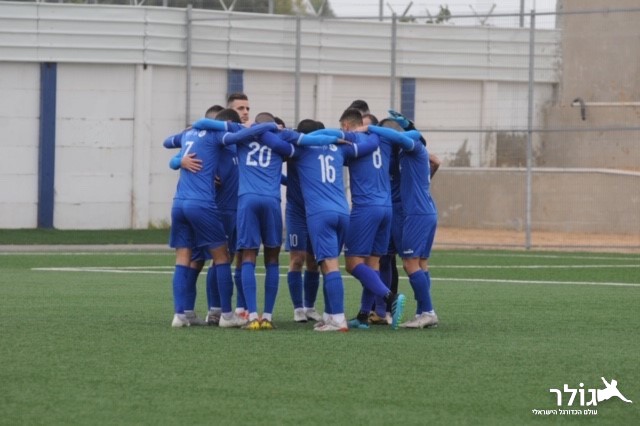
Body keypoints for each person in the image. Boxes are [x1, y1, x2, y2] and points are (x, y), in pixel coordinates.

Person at [261, 120, 380, 332]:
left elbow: (271, 141)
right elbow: (371, 145)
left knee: (328, 265)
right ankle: (327, 314)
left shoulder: (300, 149)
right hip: (342, 211)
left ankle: (338, 319)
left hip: (320, 213)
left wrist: (268, 127)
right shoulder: (339, 148)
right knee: (324, 264)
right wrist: (372, 130)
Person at [166, 109, 276, 328]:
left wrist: (178, 160)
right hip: (209, 206)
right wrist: (269, 126)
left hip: (186, 203)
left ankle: (182, 314)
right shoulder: (219, 137)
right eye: (241, 110)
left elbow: (169, 142)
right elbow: (170, 144)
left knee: (188, 258)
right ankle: (222, 313)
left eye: (247, 109)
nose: (245, 114)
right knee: (218, 257)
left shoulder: (196, 135)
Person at [316, 108, 407, 330]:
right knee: (372, 263)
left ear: (347, 126)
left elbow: (329, 141)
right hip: (386, 208)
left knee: (353, 264)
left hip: (365, 208)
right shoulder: (384, 141)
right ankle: (364, 315)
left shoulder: (353, 139)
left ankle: (390, 297)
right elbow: (411, 137)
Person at [367, 120, 439, 328]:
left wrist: (369, 128)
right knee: (420, 264)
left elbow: (407, 137)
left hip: (417, 213)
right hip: (424, 210)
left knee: (410, 264)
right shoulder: (404, 153)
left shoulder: (414, 145)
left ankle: (428, 312)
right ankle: (422, 312)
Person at [285, 119, 324, 323]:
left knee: (313, 260)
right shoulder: (293, 150)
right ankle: (298, 308)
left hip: (316, 211)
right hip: (296, 212)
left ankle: (310, 307)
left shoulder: (320, 152)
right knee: (297, 258)